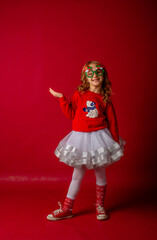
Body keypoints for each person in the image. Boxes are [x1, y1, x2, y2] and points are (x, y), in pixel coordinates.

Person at [47, 60, 126, 221]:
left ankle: (100, 206)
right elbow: (70, 114)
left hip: (99, 138)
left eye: (98, 73)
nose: (95, 76)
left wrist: (115, 141)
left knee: (100, 173)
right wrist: (62, 98)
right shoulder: (79, 94)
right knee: (77, 175)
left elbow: (112, 121)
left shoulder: (105, 98)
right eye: (91, 73)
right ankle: (68, 208)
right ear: (86, 77)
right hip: (80, 139)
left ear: (103, 76)